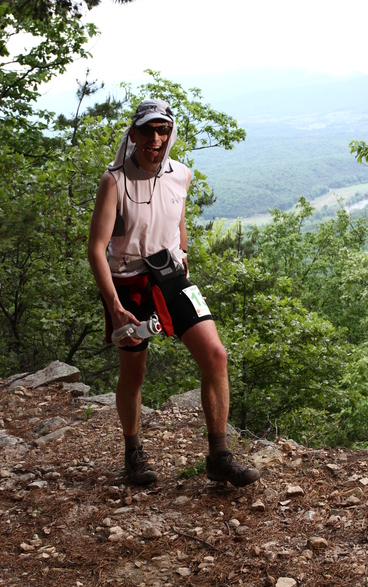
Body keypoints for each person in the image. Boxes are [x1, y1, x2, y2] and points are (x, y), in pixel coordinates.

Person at [88, 99, 260, 488]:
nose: (156, 139)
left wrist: (185, 268)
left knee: (216, 355)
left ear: (171, 133)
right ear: (133, 134)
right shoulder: (114, 181)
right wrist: (114, 307)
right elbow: (96, 248)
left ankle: (219, 457)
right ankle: (133, 452)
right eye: (148, 131)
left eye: (163, 130)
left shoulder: (181, 174)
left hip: (171, 275)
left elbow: (179, 225)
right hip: (128, 283)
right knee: (134, 371)